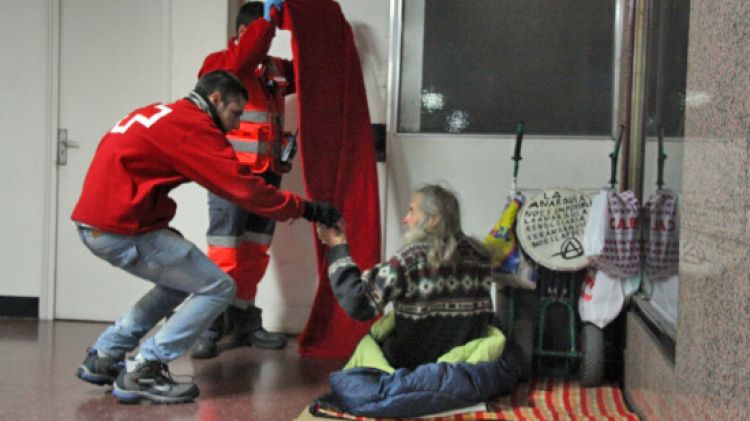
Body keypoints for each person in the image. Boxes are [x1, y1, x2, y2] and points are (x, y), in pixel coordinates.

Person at [72, 70, 340, 404]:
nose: (236, 124)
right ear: (215, 100)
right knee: (219, 287)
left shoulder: (160, 113)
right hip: (121, 228)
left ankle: (104, 355)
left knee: (180, 282)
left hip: (96, 223)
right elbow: (244, 188)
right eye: (235, 113)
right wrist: (308, 209)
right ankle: (146, 367)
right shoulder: (194, 128)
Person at [191, 0, 296, 358]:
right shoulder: (221, 64)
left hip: (266, 177)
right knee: (225, 252)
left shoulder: (276, 71)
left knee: (254, 252)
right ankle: (210, 325)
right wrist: (266, 22)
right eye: (266, 32)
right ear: (245, 33)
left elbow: (315, 69)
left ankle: (243, 319)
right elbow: (243, 59)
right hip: (229, 174)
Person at [316, 184, 496, 369]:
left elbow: (358, 302)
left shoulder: (411, 259)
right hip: (466, 364)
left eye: (411, 211)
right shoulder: (480, 256)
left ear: (433, 219)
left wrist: (338, 247)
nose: (405, 219)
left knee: (371, 346)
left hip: (412, 366)